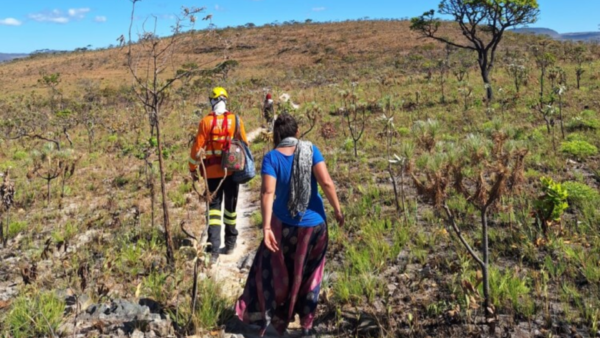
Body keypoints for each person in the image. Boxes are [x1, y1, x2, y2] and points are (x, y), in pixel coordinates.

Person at [235, 113, 344, 336]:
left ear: (276, 136)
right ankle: (306, 324)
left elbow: (267, 192)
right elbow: (326, 182)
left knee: (273, 271)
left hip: (282, 227)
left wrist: (266, 228)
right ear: (297, 132)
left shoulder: (272, 158)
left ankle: (272, 320)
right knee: (311, 274)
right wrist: (337, 210)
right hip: (315, 227)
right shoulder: (311, 151)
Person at [189, 87, 249, 264]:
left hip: (211, 174)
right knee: (230, 208)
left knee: (213, 210)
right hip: (231, 172)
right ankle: (230, 243)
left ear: (213, 101)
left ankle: (213, 249)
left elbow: (196, 150)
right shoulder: (235, 120)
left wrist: (192, 169)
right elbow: (244, 143)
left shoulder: (205, 122)